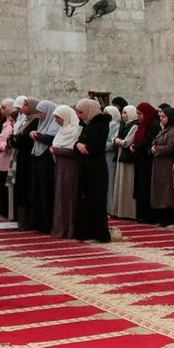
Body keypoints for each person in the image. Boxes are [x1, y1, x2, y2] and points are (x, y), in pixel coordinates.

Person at [72, 99, 111, 242]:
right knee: (84, 199)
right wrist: (77, 145)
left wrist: (82, 146)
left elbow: (95, 147)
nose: (79, 115)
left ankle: (99, 234)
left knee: (97, 200)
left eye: (81, 112)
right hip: (85, 167)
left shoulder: (101, 124)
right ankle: (85, 232)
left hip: (96, 168)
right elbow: (77, 141)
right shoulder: (85, 124)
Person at [49, 105, 82, 238]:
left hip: (71, 168)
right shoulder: (61, 131)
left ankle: (70, 229)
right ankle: (60, 227)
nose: (56, 121)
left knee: (69, 196)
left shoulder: (76, 130)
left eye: (58, 118)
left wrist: (56, 150)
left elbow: (74, 151)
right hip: (60, 167)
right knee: (60, 196)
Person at [10, 97, 40, 228]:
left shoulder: (36, 121)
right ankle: (21, 220)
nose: (23, 107)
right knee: (20, 187)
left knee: (26, 188)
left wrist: (15, 139)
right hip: (21, 157)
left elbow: (21, 139)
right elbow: (15, 138)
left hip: (28, 158)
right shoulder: (25, 120)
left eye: (26, 105)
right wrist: (14, 139)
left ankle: (27, 221)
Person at [30, 100, 59, 233]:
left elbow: (51, 139)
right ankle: (39, 221)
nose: (39, 115)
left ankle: (47, 223)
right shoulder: (41, 123)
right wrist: (36, 135)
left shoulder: (54, 123)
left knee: (46, 191)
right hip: (39, 159)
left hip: (48, 162)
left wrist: (37, 136)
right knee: (38, 190)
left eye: (41, 112)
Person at [150, 106, 174, 226]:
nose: (161, 119)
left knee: (167, 191)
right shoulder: (163, 130)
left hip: (167, 164)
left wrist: (156, 148)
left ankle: (169, 218)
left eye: (164, 117)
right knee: (159, 190)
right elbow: (154, 142)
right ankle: (161, 217)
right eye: (161, 117)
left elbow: (170, 147)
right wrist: (153, 147)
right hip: (159, 163)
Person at [131, 102, 160, 223]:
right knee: (139, 187)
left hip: (147, 160)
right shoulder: (142, 124)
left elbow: (148, 141)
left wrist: (135, 147)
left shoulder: (153, 125)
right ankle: (140, 214)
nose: (138, 116)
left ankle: (147, 215)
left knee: (145, 187)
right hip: (139, 159)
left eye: (140, 114)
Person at [110, 105, 138, 220]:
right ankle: (119, 211)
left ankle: (128, 212)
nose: (123, 115)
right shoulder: (123, 125)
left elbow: (126, 142)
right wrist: (117, 141)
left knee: (127, 185)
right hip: (121, 155)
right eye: (123, 113)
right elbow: (113, 138)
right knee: (120, 184)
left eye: (126, 113)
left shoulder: (135, 125)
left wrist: (118, 141)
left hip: (128, 158)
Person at [103, 105, 121, 211]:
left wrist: (100, 144)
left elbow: (113, 143)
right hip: (102, 156)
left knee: (110, 181)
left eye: (106, 114)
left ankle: (110, 207)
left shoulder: (117, 126)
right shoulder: (104, 125)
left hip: (110, 157)